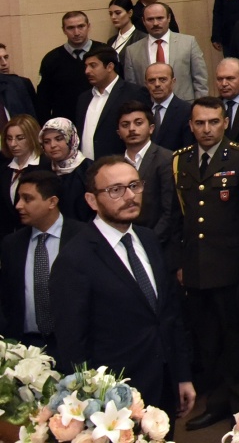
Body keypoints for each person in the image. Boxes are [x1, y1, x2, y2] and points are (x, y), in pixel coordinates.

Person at [51, 157, 194, 417]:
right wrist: (91, 402)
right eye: (115, 190)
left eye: (134, 186)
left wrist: (182, 375)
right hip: (112, 400)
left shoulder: (148, 239)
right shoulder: (75, 258)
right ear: (92, 200)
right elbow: (73, 343)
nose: (129, 196)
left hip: (163, 385)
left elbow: (170, 314)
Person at [0, 169, 76, 351]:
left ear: (52, 202)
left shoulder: (82, 238)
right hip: (24, 347)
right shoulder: (12, 244)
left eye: (27, 199)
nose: (19, 206)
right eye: (19, 198)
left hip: (71, 345)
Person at [122, 2, 208, 102]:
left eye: (160, 18)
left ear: (169, 18)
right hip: (149, 108)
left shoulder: (188, 43)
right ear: (143, 21)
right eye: (150, 19)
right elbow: (132, 88)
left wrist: (200, 106)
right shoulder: (132, 51)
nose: (155, 23)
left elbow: (200, 80)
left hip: (185, 106)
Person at [114, 103, 175, 241]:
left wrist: (150, 241)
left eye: (138, 123)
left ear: (151, 128)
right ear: (119, 133)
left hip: (157, 240)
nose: (131, 129)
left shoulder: (166, 159)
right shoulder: (115, 164)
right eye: (125, 125)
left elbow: (170, 211)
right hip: (122, 239)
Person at [78, 45, 149, 161]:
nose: (87, 71)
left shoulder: (134, 93)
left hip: (120, 164)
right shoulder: (84, 98)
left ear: (110, 67)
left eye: (93, 66)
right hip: (87, 167)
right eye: (86, 66)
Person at [37, 12, 96, 122]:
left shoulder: (104, 53)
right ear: (63, 30)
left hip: (98, 120)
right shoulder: (51, 59)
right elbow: (43, 101)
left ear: (88, 26)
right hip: (63, 124)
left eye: (81, 26)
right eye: (70, 28)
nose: (76, 32)